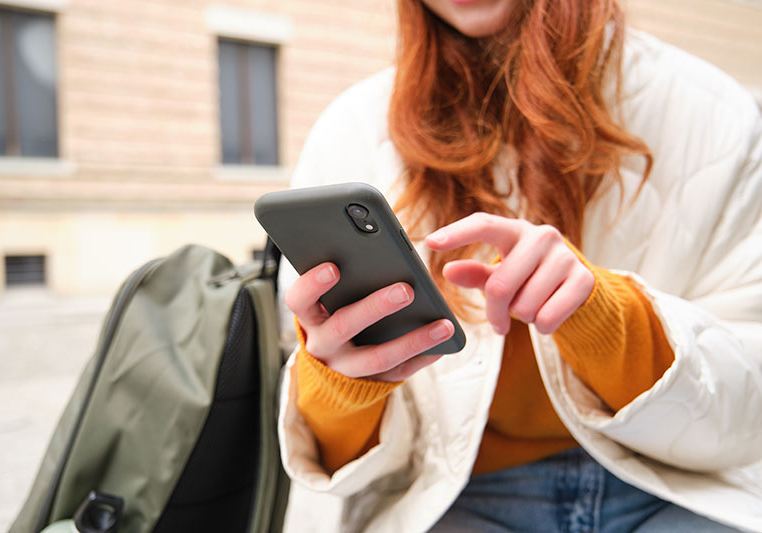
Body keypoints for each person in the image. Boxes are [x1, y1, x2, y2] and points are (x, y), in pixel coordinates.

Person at [275, 0, 762, 531]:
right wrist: (340, 385)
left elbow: (749, 409)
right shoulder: (351, 129)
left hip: (674, 485)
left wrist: (608, 322)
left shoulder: (713, 114)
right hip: (454, 497)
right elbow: (351, 469)